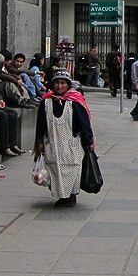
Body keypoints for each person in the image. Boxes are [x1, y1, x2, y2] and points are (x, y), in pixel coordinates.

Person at [34, 70, 94, 207]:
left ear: (68, 85)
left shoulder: (75, 102)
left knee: (72, 170)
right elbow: (41, 123)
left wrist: (89, 141)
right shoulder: (46, 102)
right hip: (52, 143)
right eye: (57, 83)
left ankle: (70, 196)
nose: (59, 86)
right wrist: (39, 141)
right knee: (54, 170)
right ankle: (62, 196)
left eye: (63, 83)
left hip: (71, 145)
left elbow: (83, 124)